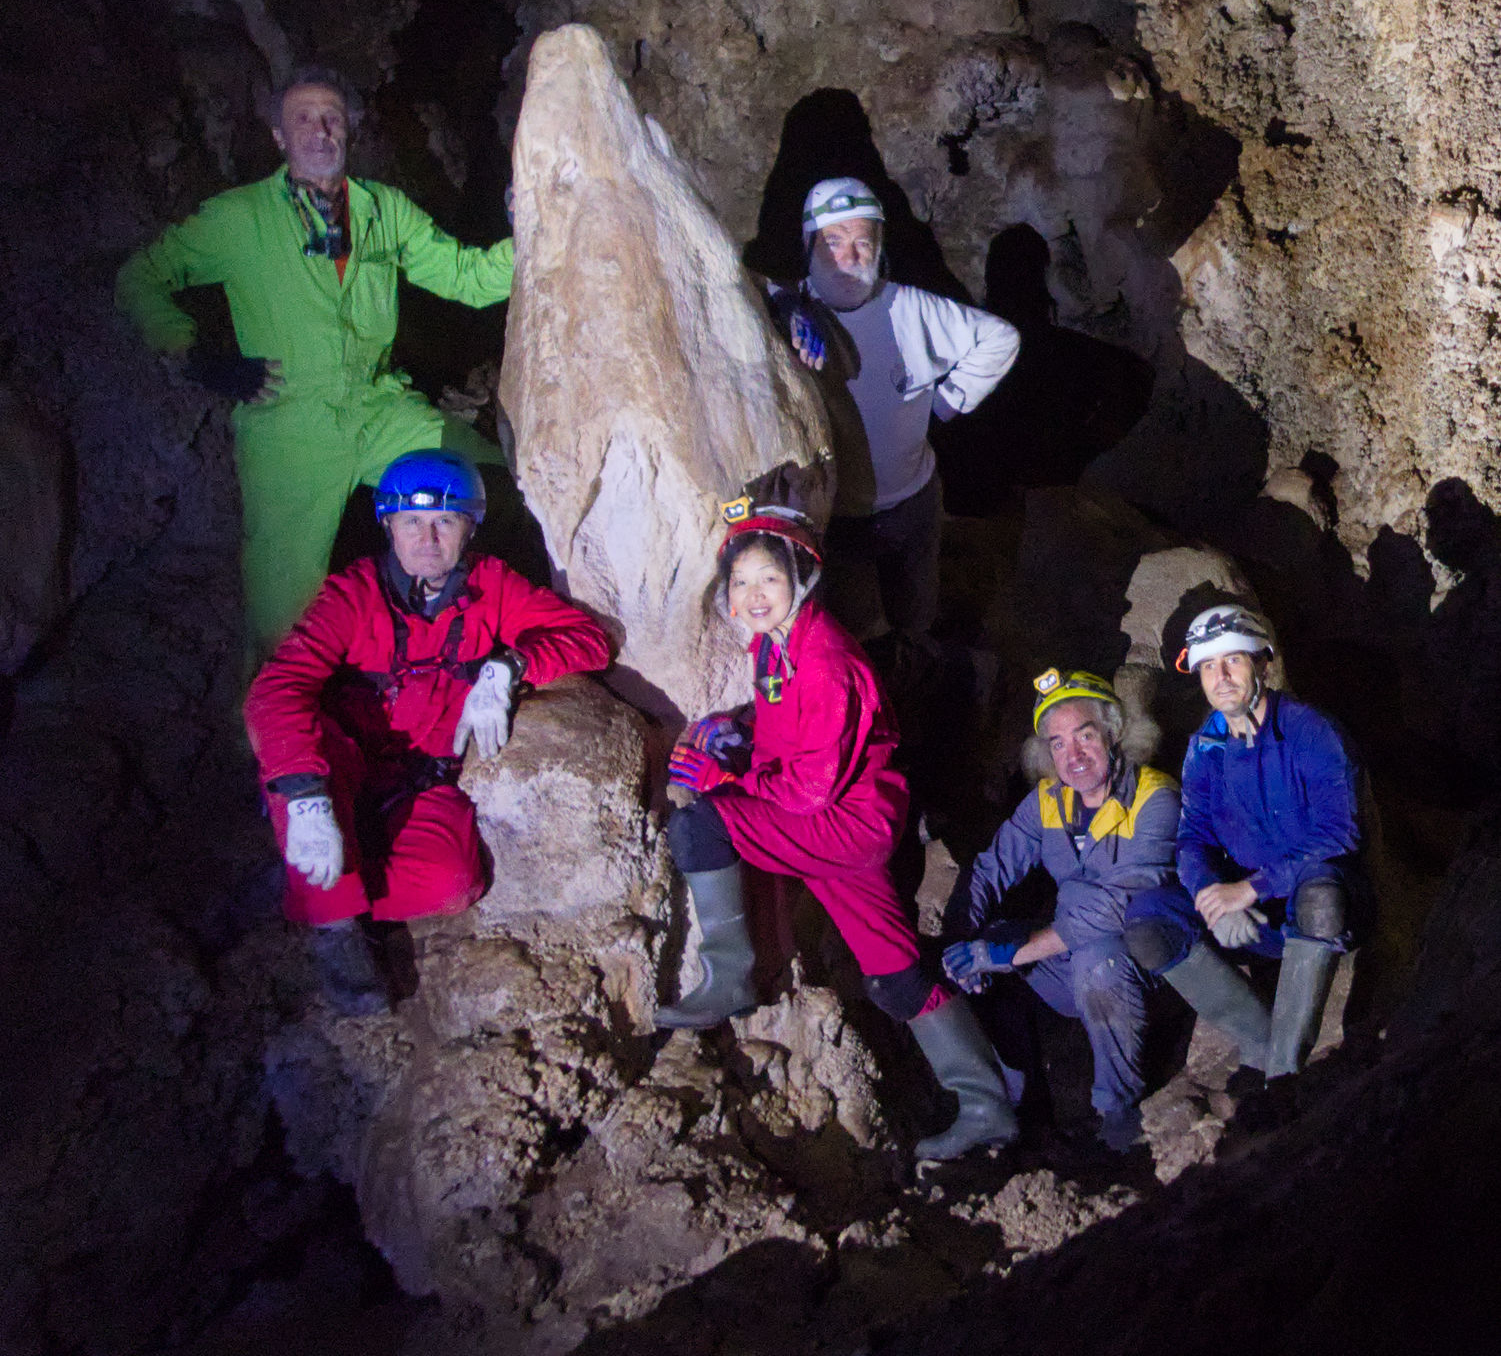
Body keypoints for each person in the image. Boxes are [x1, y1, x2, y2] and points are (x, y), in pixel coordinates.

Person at [117, 68, 517, 665]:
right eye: (303, 118)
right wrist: (197, 356)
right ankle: (268, 745)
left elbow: (468, 276)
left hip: (380, 406)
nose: (320, 130)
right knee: (283, 610)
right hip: (289, 421)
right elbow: (140, 278)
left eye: (331, 116)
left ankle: (464, 648)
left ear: (348, 130)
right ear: (279, 136)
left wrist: (542, 230)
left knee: (496, 478)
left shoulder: (383, 211)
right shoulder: (240, 218)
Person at [658, 497, 1018, 1162]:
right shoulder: (777, 648)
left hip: (836, 821)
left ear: (801, 574)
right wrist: (736, 725)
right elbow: (788, 731)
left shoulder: (821, 659)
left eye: (768, 577)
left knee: (702, 826)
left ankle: (730, 975)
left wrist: (724, 781)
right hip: (843, 831)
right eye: (741, 582)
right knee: (893, 978)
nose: (754, 593)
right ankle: (986, 1105)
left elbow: (807, 786)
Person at [243, 449, 612, 1014]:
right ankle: (335, 930)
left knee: (452, 885)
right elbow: (276, 690)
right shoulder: (354, 593)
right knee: (306, 771)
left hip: (422, 778)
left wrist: (509, 666)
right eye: (411, 521)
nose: (428, 538)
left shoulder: (492, 587)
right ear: (387, 525)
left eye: (445, 521)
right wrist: (305, 797)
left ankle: (317, 888)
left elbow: (587, 639)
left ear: (470, 527)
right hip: (343, 770)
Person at [1122, 605, 1367, 1080]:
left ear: (1263, 664)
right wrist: (1210, 895)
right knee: (1147, 922)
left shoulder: (1310, 732)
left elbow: (1340, 834)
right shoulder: (1205, 746)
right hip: (1248, 918)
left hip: (1312, 902)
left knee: (1320, 894)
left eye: (1233, 660)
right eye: (1209, 666)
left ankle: (1283, 1070)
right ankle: (1259, 1039)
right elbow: (1192, 838)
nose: (1221, 676)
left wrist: (1251, 888)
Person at [942, 670, 1180, 1151]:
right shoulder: (1050, 800)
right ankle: (1021, 1109)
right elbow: (992, 868)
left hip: (1146, 963)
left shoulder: (1157, 798)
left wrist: (1010, 951)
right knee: (986, 956)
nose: (1073, 756)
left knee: (1097, 960)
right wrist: (962, 944)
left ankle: (1118, 1111)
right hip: (1071, 958)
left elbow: (1115, 907)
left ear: (1114, 734)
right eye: (1057, 743)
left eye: (1085, 736)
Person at [777, 177, 1019, 642]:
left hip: (912, 501)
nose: (849, 258)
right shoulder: (791, 315)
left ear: (879, 248)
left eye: (861, 242)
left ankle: (918, 658)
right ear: (808, 246)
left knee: (915, 610)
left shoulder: (911, 308)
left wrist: (947, 404)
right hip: (836, 515)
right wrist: (785, 303)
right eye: (832, 242)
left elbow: (999, 338)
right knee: (848, 623)